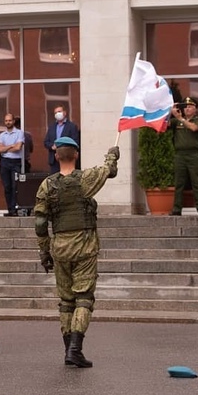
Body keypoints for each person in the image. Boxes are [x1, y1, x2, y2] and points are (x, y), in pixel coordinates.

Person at [33, 137, 119, 368]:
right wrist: (112, 153)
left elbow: (40, 223)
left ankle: (68, 350)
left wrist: (44, 253)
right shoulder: (86, 179)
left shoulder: (47, 185)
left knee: (66, 301)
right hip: (84, 246)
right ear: (76, 155)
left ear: (56, 156)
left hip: (60, 247)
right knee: (83, 298)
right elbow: (110, 171)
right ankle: (75, 349)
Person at [169, 97, 198, 216]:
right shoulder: (176, 121)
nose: (187, 108)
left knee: (197, 183)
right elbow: (164, 125)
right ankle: (176, 209)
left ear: (196, 109)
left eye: (190, 106)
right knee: (179, 183)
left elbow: (193, 128)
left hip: (194, 155)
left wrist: (179, 118)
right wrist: (170, 111)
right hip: (180, 155)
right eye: (185, 106)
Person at [0, 113, 26, 217]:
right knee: (7, 187)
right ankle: (10, 209)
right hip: (5, 162)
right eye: (6, 121)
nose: (8, 122)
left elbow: (18, 148)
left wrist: (6, 147)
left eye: (9, 120)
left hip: (15, 162)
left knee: (15, 186)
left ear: (13, 121)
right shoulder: (2, 135)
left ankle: (15, 209)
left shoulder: (19, 133)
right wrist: (11, 146)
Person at [43, 104, 80, 174]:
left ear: (64, 113)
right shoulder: (52, 127)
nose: (57, 114)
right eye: (55, 113)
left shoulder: (72, 126)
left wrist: (63, 146)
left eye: (59, 111)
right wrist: (52, 146)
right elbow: (46, 142)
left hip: (67, 158)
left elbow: (75, 142)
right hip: (54, 160)